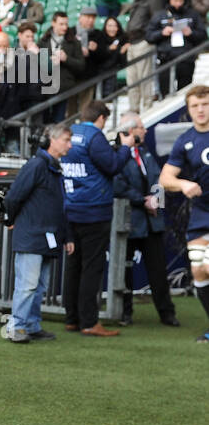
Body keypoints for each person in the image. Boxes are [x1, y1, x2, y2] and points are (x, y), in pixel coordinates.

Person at [61, 100, 136, 336]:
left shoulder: (70, 134)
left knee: (74, 266)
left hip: (72, 207)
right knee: (91, 268)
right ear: (101, 118)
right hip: (94, 210)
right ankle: (89, 322)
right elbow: (112, 166)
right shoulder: (95, 136)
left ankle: (72, 318)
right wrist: (125, 148)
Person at [2, 124, 73, 342]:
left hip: (43, 236)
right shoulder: (37, 166)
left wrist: (67, 236)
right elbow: (13, 197)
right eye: (66, 140)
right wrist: (11, 219)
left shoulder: (51, 167)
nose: (69, 145)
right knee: (28, 285)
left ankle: (30, 325)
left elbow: (58, 206)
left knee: (38, 286)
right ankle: (17, 327)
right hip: (34, 235)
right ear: (52, 140)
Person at [113, 112, 178, 327]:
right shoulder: (115, 155)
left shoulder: (146, 153)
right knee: (125, 270)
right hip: (128, 222)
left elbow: (160, 180)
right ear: (131, 131)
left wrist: (156, 201)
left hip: (152, 223)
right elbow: (118, 185)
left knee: (158, 270)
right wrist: (143, 201)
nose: (146, 130)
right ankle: (125, 313)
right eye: (141, 127)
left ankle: (167, 314)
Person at [160, 85, 209, 342]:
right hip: (200, 214)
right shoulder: (185, 140)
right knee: (199, 271)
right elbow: (165, 178)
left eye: (205, 104)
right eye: (195, 106)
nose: (200, 110)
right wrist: (183, 184)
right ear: (188, 110)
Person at [146, 0, 206, 97]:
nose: (178, 4)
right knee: (165, 94)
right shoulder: (160, 15)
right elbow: (149, 36)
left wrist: (191, 33)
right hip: (165, 60)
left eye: (181, 1)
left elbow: (203, 35)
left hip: (186, 59)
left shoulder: (192, 14)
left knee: (185, 93)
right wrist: (162, 33)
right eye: (175, 0)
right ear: (169, 0)